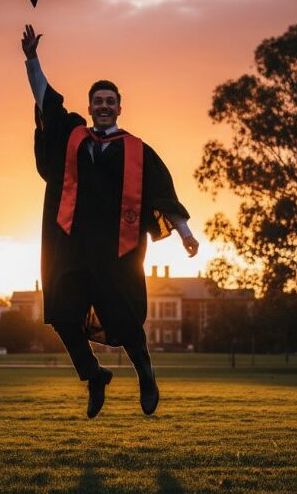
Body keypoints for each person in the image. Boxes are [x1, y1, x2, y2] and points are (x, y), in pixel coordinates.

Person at [22, 24, 199, 418]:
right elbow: (46, 100)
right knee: (62, 314)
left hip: (118, 250)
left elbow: (162, 193)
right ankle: (93, 374)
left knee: (124, 318)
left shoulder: (137, 150)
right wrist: (32, 59)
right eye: (97, 101)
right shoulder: (73, 137)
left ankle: (146, 373)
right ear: (90, 107)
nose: (103, 106)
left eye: (110, 101)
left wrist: (185, 233)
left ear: (120, 106)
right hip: (70, 245)